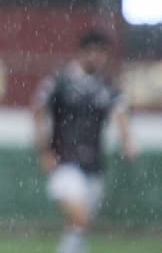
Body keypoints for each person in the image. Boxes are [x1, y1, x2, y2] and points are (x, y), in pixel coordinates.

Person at [32, 29, 137, 253]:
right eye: (94, 52)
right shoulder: (60, 81)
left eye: (102, 53)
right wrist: (43, 151)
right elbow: (38, 109)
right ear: (82, 52)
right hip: (64, 162)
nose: (98, 57)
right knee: (80, 218)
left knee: (78, 226)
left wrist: (127, 141)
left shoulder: (107, 87)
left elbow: (121, 113)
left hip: (94, 165)